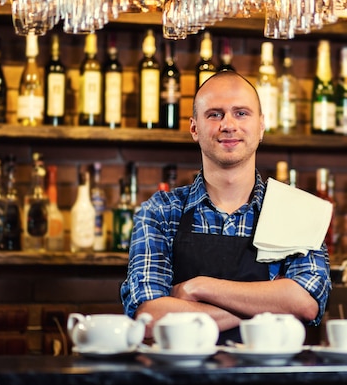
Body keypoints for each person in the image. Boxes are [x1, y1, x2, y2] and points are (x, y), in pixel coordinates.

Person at [120, 71, 331, 344]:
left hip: (268, 378)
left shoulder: (297, 210)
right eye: (214, 114)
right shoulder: (161, 212)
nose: (229, 125)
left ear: (261, 126)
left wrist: (197, 287)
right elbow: (150, 317)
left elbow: (304, 302)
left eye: (241, 113)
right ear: (194, 128)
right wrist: (269, 303)